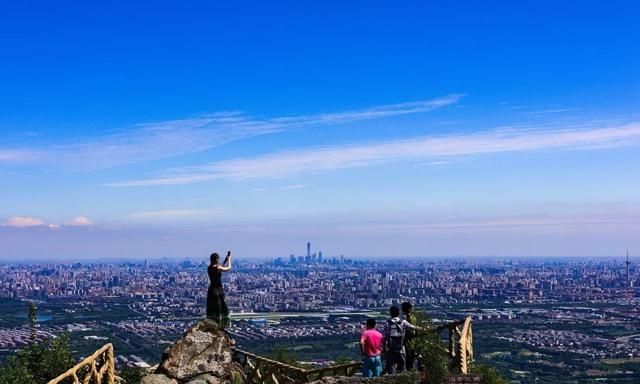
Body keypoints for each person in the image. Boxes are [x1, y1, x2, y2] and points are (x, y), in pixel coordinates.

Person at [384, 305, 417, 374]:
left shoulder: (387, 323)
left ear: (390, 313)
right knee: (402, 366)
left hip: (391, 348)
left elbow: (386, 336)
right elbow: (413, 327)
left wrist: (384, 348)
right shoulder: (403, 322)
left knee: (391, 366)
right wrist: (425, 328)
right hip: (401, 347)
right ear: (398, 313)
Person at [206, 251, 232, 328]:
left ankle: (212, 323)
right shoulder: (217, 267)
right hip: (218, 289)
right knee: (221, 307)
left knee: (213, 307)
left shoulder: (209, 268)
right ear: (216, 259)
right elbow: (228, 268)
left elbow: (219, 268)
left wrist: (225, 260)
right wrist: (230, 260)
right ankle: (221, 324)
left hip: (211, 289)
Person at [401, 302, 418, 371]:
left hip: (409, 341)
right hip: (413, 341)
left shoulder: (408, 318)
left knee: (409, 359)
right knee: (411, 359)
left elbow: (411, 331)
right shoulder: (414, 317)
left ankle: (411, 374)